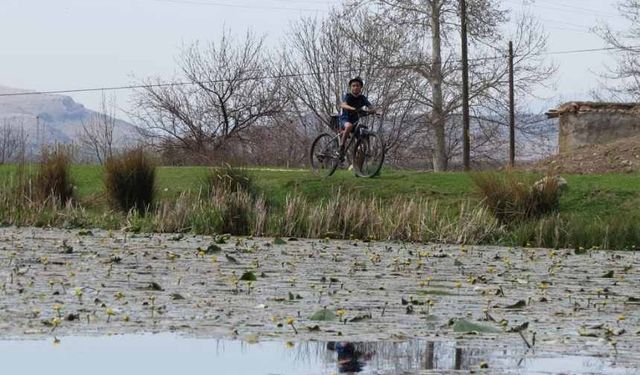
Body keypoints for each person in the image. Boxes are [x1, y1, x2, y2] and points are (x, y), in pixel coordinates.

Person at [338, 77, 376, 159]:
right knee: (349, 126)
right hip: (345, 119)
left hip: (355, 122)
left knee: (363, 135)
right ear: (351, 87)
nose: (355, 87)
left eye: (358, 86)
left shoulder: (362, 98)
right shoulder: (348, 96)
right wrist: (352, 108)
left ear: (361, 88)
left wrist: (373, 111)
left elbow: (370, 106)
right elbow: (343, 105)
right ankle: (341, 147)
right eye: (353, 86)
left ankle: (360, 163)